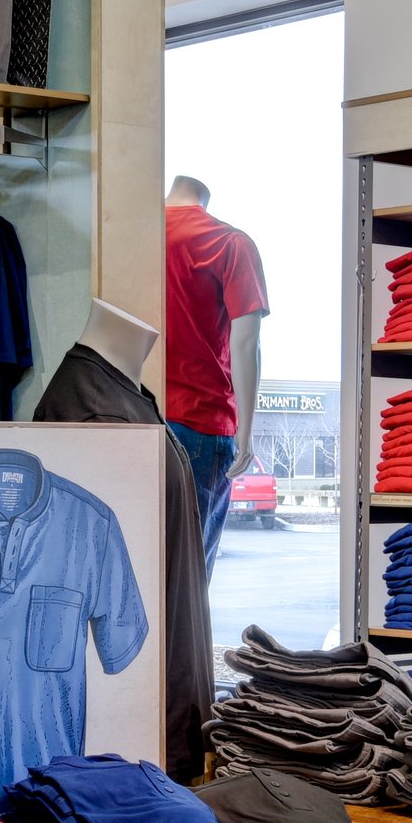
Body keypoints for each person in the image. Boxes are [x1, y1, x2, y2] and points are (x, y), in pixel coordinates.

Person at [163, 176, 269, 569]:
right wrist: (246, 428)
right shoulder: (230, 242)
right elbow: (246, 342)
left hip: (134, 416)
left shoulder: (135, 232)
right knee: (189, 573)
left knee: (142, 564)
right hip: (201, 420)